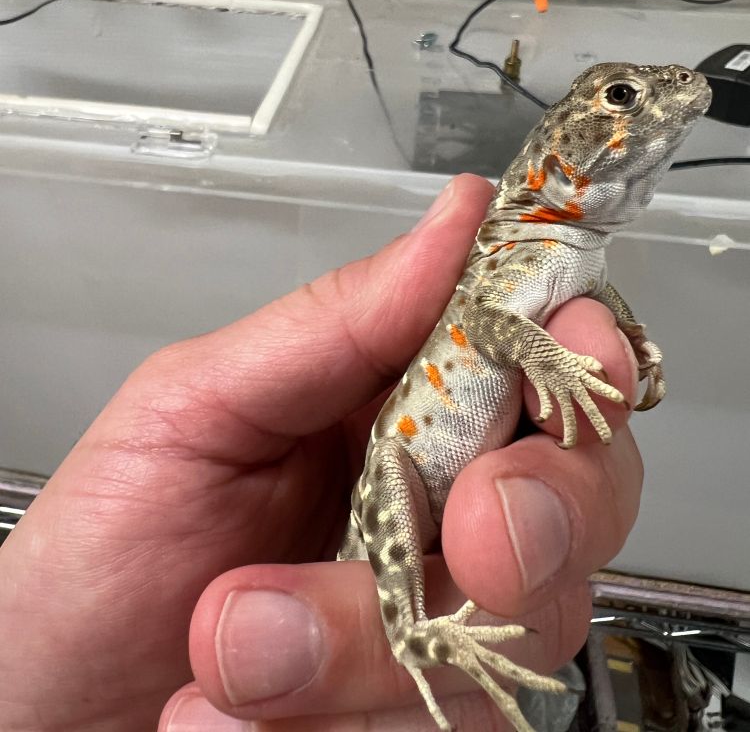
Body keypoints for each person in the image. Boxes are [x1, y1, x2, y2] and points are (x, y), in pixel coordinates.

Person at [0, 175, 642, 732]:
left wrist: (621, 326)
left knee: (510, 548)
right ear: (556, 154)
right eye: (620, 97)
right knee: (403, 477)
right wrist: (549, 356)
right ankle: (413, 632)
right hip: (407, 463)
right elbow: (485, 322)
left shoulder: (570, 247)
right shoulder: (528, 235)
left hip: (425, 500)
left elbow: (558, 305)